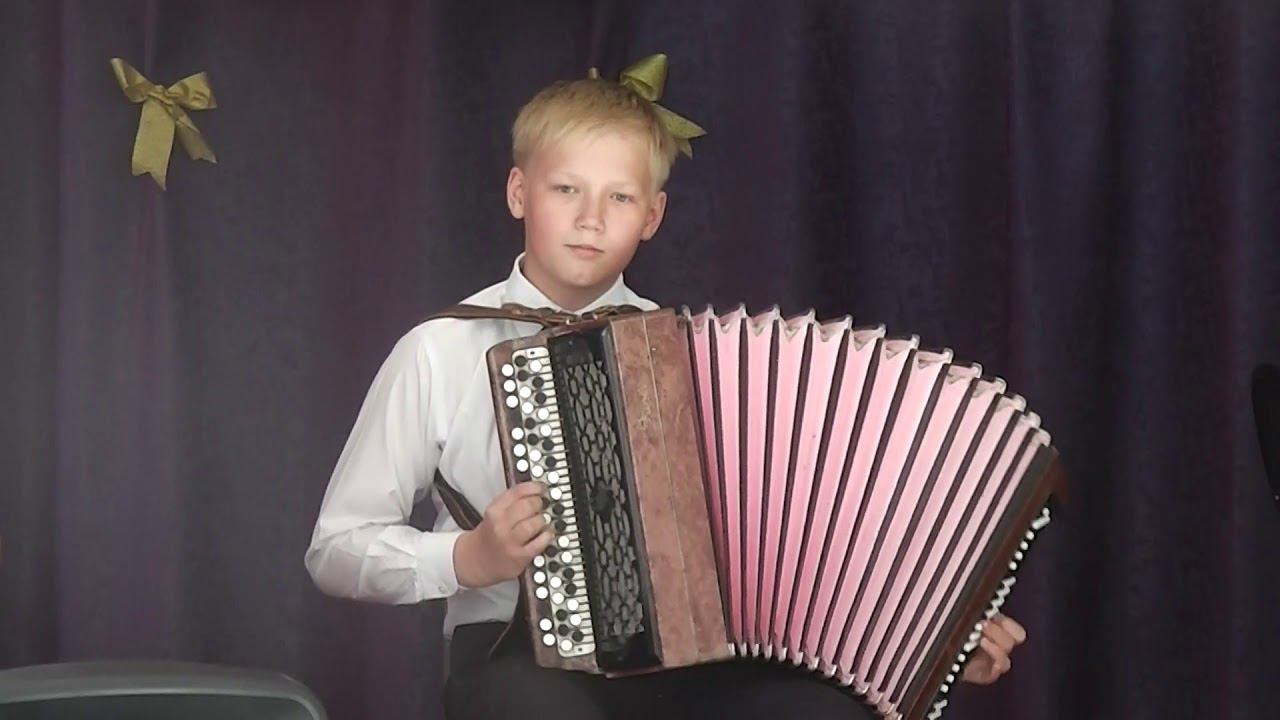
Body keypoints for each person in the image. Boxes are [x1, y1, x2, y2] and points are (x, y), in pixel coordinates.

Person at [305, 54, 1026, 720]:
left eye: (619, 197)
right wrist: (465, 558)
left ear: (652, 217)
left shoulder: (693, 357)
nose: (591, 218)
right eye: (566, 189)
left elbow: (809, 532)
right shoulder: (437, 350)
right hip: (513, 656)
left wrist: (936, 635)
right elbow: (336, 549)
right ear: (519, 193)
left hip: (695, 660)